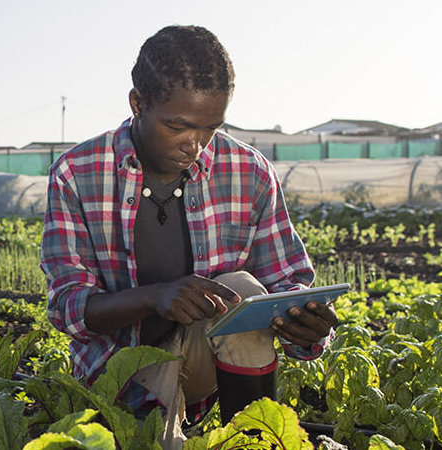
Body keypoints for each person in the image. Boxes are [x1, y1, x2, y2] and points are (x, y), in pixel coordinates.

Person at [40, 25, 338, 449]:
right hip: (116, 373)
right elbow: (68, 308)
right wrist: (154, 296)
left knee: (242, 290)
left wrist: (304, 325)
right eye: (178, 126)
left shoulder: (248, 171)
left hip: (202, 367)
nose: (194, 145)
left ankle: (250, 441)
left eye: (210, 128)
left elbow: (286, 280)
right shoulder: (77, 172)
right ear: (137, 103)